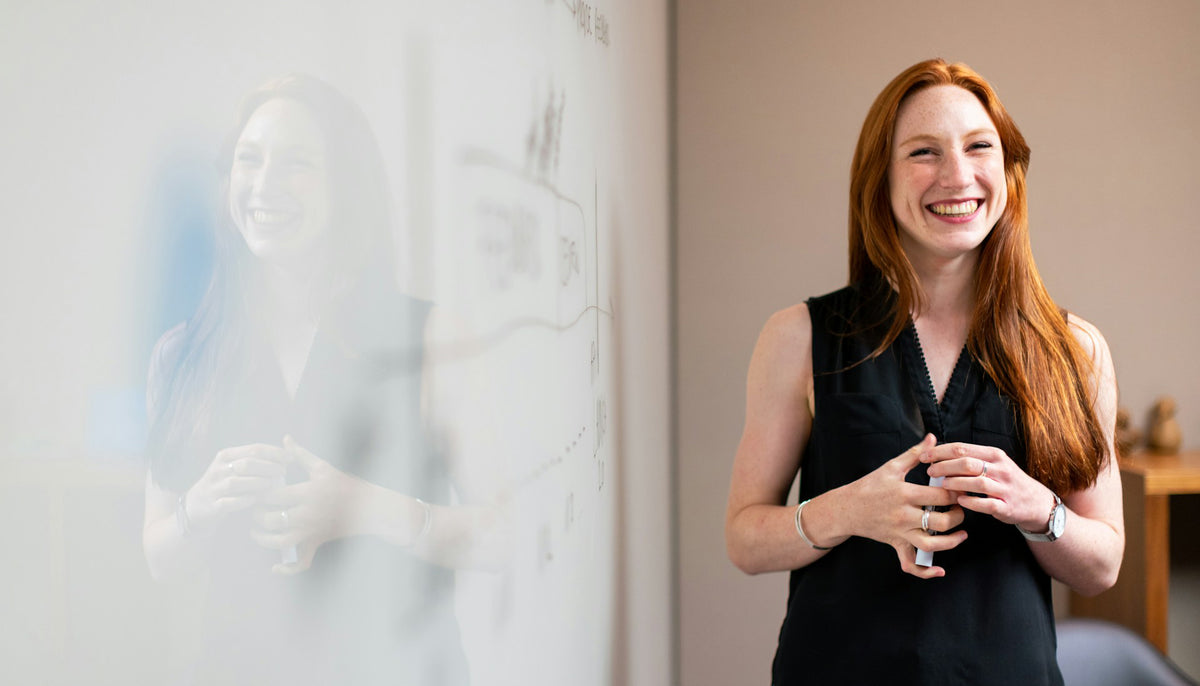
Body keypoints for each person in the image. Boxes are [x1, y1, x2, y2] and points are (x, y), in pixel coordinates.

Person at [725, 58, 1123, 685]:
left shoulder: (1076, 349)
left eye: (978, 147)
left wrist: (1037, 507)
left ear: (1009, 172)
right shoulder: (799, 338)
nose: (957, 175)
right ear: (879, 179)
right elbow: (745, 540)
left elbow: (1103, 566)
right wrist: (849, 511)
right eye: (923, 152)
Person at [141, 74, 495, 685]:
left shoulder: (434, 339)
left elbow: (510, 534)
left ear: (347, 189)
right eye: (249, 160)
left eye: (297, 163)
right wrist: (200, 506)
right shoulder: (181, 355)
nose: (264, 185)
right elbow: (160, 557)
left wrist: (364, 508)